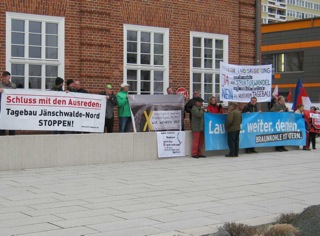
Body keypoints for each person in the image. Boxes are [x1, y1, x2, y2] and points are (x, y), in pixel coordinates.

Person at [0, 71, 16, 135]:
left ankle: (12, 138)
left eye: (5, 77)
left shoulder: (13, 85)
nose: (4, 78)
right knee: (1, 124)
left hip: (11, 107)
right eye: (3, 77)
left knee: (11, 124)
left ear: (9, 77)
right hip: (1, 107)